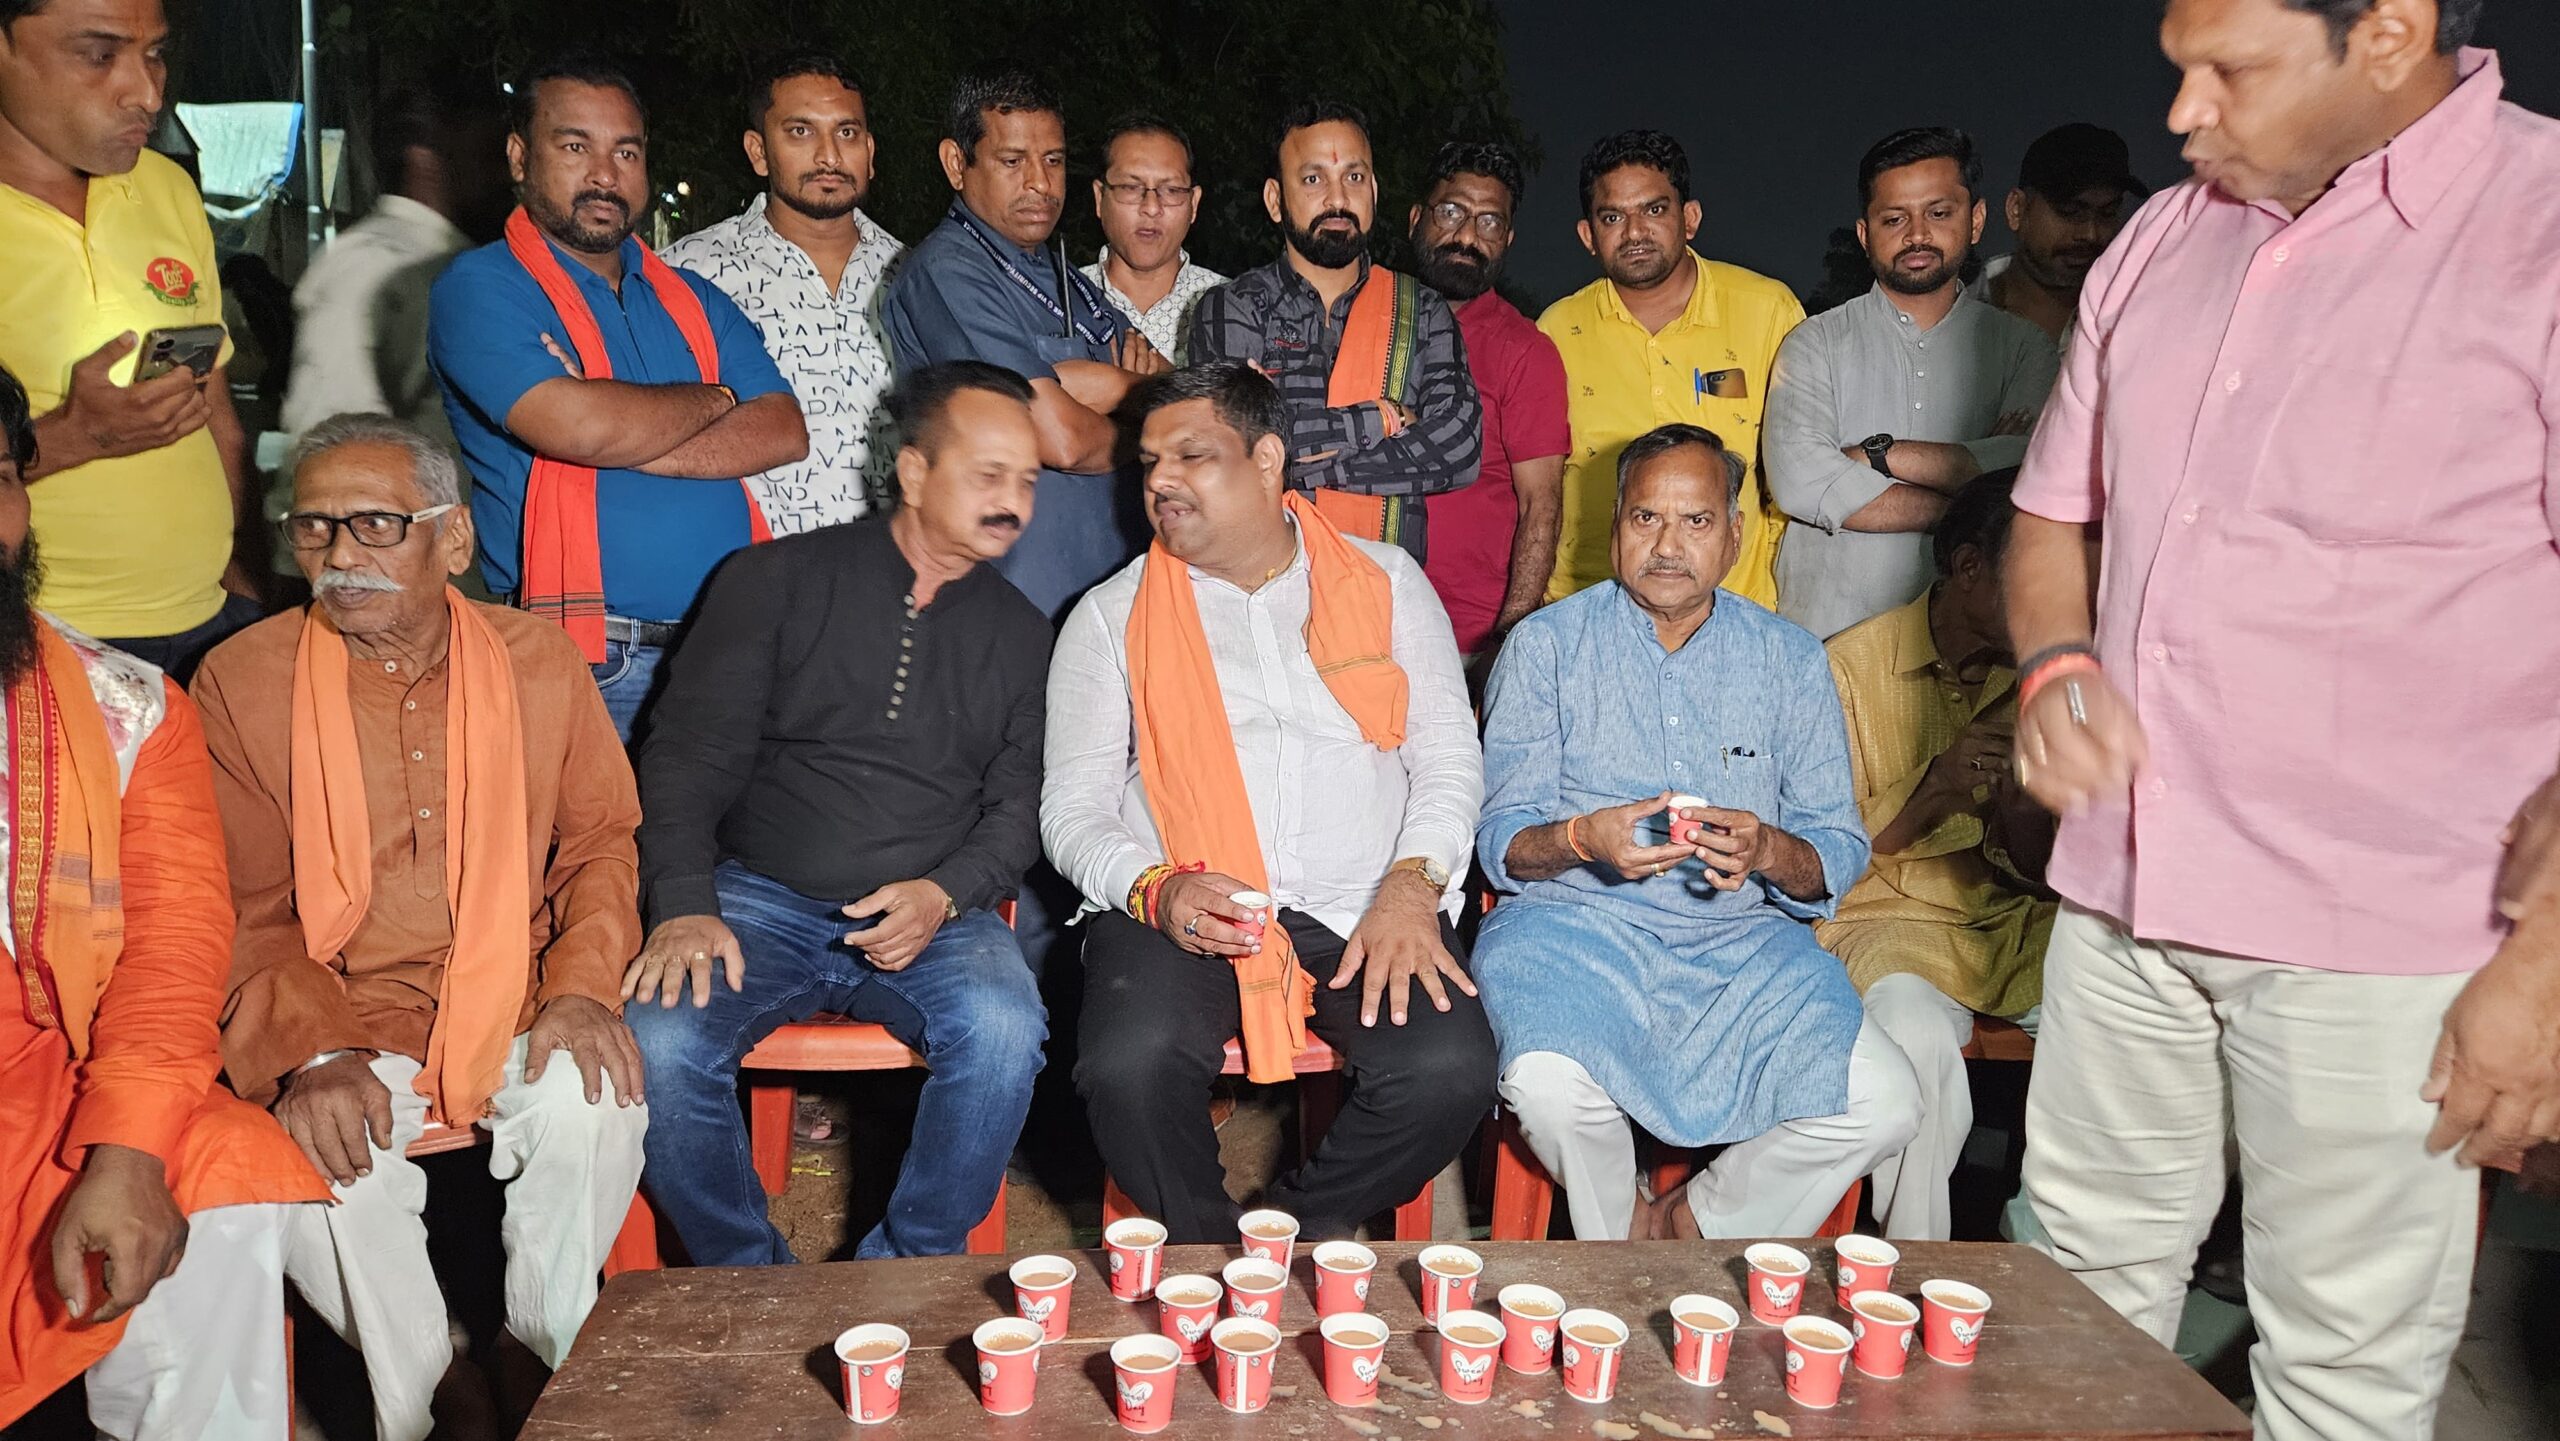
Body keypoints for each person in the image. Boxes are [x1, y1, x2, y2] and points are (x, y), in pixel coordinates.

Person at [2004, 3, 2558, 1437]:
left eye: (2229, 70)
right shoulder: (2162, 239)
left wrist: (2547, 963)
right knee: (2073, 1310)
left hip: (2382, 943)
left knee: (2339, 1371)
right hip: (2123, 899)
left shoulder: (2541, 229)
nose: (2180, 113)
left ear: (2389, 32)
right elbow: (2052, 516)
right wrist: (2058, 665)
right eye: (2176, 65)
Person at [195, 414, 647, 1441]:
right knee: (318, 1169)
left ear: (453, 537)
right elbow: (243, 902)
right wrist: (314, 1053)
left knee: (593, 1098)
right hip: (338, 1008)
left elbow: (599, 844)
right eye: (314, 527)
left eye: (375, 524)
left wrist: (580, 989)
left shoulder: (537, 660)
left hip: (521, 991)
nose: (340, 554)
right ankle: (437, 1395)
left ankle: (539, 1354)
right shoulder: (242, 678)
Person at [1046, 362, 1495, 1244]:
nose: (1162, 480)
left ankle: (1283, 1236)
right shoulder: (1108, 615)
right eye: (1150, 461)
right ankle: (1209, 1251)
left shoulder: (1387, 580)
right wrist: (1155, 889)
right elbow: (1072, 806)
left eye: (1192, 456)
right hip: (1185, 895)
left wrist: (1415, 884)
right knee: (1129, 1067)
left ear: (1265, 460)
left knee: (1448, 1071)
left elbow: (1448, 757)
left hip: (1365, 893)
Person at [623, 363, 1051, 1264]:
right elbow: (686, 757)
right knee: (657, 1041)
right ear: (914, 471)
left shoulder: (1023, 634)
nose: (1012, 501)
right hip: (759, 897)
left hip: (936, 917)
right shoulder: (773, 579)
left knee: (1005, 1030)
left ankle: (900, 1275)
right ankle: (752, 1279)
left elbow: (1018, 811)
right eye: (988, 473)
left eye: (1027, 479)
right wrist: (684, 902)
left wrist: (944, 892)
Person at [1472, 423, 1918, 1243]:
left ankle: (1693, 1223)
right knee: (1545, 1085)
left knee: (1886, 1101)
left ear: (1735, 535)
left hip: (1741, 949)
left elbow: (1836, 849)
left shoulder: (1790, 659)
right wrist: (1581, 839)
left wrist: (1768, 850)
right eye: (1645, 518)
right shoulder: (1545, 646)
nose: (1668, 546)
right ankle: (1618, 1237)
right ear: (1614, 526)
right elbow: (1500, 838)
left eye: (1697, 521)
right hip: (1574, 936)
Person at [0, 365, 323, 1440]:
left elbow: (173, 951)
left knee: (216, 1169)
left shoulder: (128, 708)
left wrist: (128, 1152)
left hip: (44, 1088)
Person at [427, 52, 806, 741]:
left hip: (727, 646)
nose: (605, 175)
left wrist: (623, 432)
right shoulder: (482, 287)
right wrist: (719, 397)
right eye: (576, 147)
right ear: (519, 157)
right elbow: (576, 427)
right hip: (592, 659)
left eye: (626, 152)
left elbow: (783, 429)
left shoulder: (694, 298)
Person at [1816, 470, 2051, 1241]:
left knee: (2125, 1014)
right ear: (1969, 567)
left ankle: (2058, 1258)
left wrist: (2022, 806)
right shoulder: (1847, 669)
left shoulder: (2050, 673)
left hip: (2011, 925)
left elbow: (2040, 869)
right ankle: (1914, 1262)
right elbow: (1818, 864)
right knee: (1915, 1035)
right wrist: (1935, 789)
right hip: (1885, 920)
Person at [0, 0, 264, 679]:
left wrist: (238, 570)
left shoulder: (167, 188)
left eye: (155, 54)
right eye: (98, 55)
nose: (147, 93)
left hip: (208, 624)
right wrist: (74, 435)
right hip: (39, 646)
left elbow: (217, 414)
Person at [883, 63, 1159, 622]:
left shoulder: (1064, 273)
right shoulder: (947, 271)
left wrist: (1110, 386)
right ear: (956, 163)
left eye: (1053, 160)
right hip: (1016, 601)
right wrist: (1149, 429)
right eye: (1012, 161)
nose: (1040, 183)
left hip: (1115, 592)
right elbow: (1061, 440)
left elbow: (1169, 381)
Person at [1763, 126, 2058, 641]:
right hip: (1826, 644)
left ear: (1976, 220)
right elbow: (1799, 481)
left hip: (1975, 653)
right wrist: (1966, 500)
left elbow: (2034, 471)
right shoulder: (1814, 343)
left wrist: (1879, 455)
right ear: (1864, 234)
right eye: (1894, 219)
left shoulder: (2024, 348)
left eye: (1938, 213)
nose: (1917, 235)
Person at [1189, 100, 1480, 561]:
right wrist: (1384, 418)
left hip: (1387, 587)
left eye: (1354, 177)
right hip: (1264, 583)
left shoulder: (1421, 310)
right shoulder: (1233, 308)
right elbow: (1231, 450)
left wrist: (1299, 463)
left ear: (1374, 190)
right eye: (1313, 179)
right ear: (1274, 200)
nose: (1338, 199)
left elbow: (1460, 449)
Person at [1538, 130, 1801, 610]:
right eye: (1612, 217)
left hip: (1735, 607)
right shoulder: (1556, 332)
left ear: (1690, 218)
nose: (1634, 232)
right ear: (1588, 236)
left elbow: (1794, 472)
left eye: (1654, 210)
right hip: (1591, 609)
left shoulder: (1767, 312)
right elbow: (1538, 485)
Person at [664, 54, 904, 534]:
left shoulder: (916, 276)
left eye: (847, 132)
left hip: (895, 565)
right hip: (753, 566)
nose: (829, 156)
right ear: (758, 151)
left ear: (870, 150)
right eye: (801, 132)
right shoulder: (690, 273)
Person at [1406, 140, 1569, 668]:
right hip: (1357, 620)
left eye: (1489, 222)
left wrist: (1508, 642)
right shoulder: (1366, 322)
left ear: (1508, 239)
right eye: (1452, 212)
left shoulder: (1525, 351)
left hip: (1467, 640)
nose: (1467, 236)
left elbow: (1541, 504)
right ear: (1416, 218)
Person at [282, 76, 512, 449]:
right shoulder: (372, 264)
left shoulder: (466, 262)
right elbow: (330, 437)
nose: (506, 176)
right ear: (424, 161)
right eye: (487, 156)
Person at [1977, 123, 2146, 346]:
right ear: (2016, 209)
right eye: (2070, 211)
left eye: (2107, 213)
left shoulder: (2141, 318)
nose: (2091, 234)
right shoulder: (1951, 310)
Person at [1083, 114, 1225, 365]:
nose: (1151, 208)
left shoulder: (1233, 306)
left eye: (1171, 190)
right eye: (1130, 187)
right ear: (1099, 197)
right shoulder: (1060, 299)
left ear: (1193, 203)